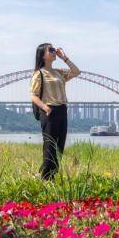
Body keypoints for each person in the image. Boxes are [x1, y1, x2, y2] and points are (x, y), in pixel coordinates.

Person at [30, 43, 81, 180]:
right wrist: (45, 107)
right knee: (50, 146)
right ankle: (46, 178)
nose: (54, 52)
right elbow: (33, 95)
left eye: (54, 49)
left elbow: (77, 72)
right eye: (51, 50)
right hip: (49, 111)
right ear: (43, 55)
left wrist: (64, 58)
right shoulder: (39, 74)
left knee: (59, 146)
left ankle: (51, 175)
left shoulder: (59, 72)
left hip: (62, 110)